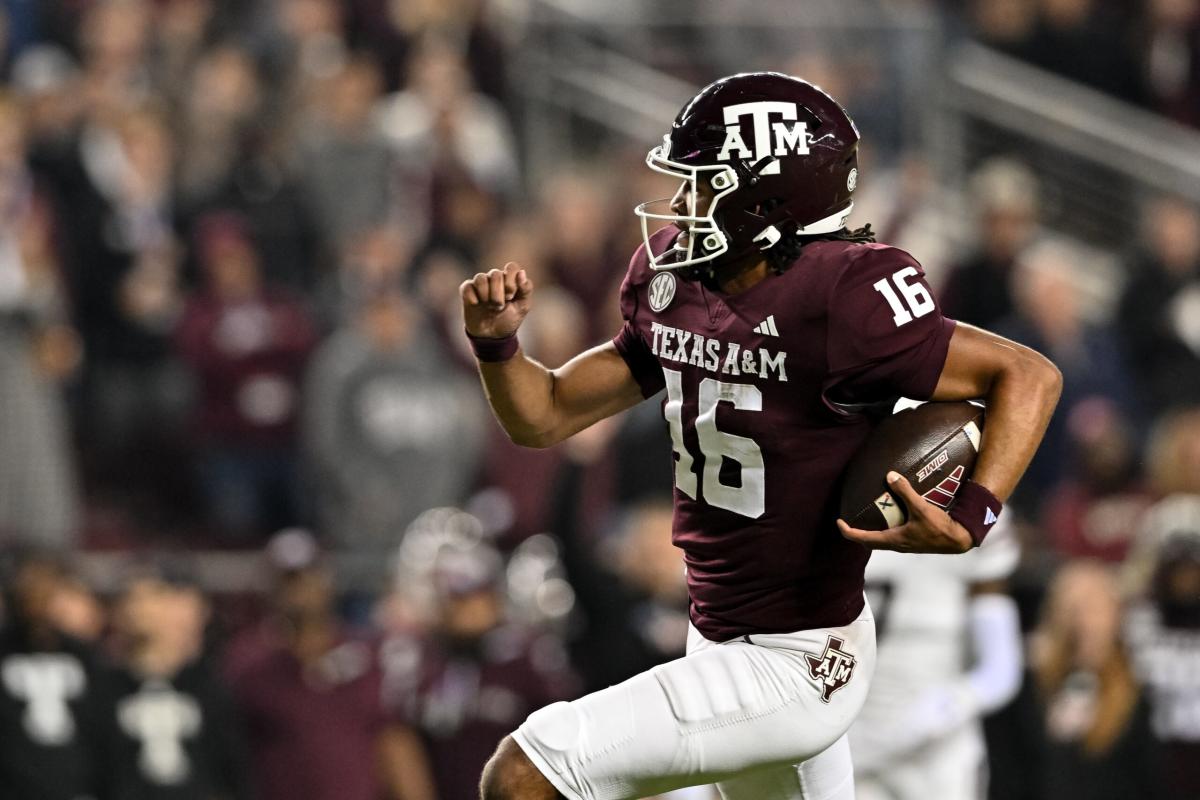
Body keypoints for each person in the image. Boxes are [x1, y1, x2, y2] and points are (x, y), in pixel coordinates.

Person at [460, 72, 1062, 799]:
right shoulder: (675, 282)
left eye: (705, 183)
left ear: (767, 197)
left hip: (801, 658)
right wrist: (498, 349)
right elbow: (545, 414)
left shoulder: (845, 294)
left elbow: (1027, 376)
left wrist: (974, 517)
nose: (682, 203)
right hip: (717, 632)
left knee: (524, 775)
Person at [850, 507, 1023, 800]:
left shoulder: (976, 507)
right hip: (849, 728)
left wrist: (950, 704)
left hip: (937, 746)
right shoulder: (838, 491)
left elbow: (1001, 667)